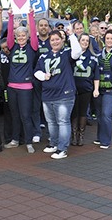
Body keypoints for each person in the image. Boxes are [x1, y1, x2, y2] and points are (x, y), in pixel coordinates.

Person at [34, 30, 82, 159]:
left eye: (57, 39)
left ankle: (62, 149)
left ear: (62, 40)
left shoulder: (67, 53)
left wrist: (72, 35)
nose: (55, 42)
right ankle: (53, 143)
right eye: (52, 40)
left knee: (62, 121)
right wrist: (43, 76)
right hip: (47, 94)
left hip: (64, 95)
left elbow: (77, 52)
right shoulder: (44, 56)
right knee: (51, 122)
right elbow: (36, 71)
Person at [5, 8, 38, 153]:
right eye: (19, 35)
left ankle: (29, 142)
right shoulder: (12, 46)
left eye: (23, 35)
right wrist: (10, 16)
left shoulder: (32, 47)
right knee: (15, 115)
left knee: (25, 115)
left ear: (27, 36)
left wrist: (30, 16)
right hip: (12, 86)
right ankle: (15, 140)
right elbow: (9, 36)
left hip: (26, 87)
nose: (21, 37)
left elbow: (34, 35)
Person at [70, 34, 100, 146]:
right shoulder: (72, 55)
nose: (85, 42)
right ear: (78, 41)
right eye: (83, 40)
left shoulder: (93, 57)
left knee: (82, 112)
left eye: (87, 41)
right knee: (74, 112)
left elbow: (96, 75)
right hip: (73, 88)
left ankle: (80, 136)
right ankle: (73, 136)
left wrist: (96, 89)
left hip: (86, 88)